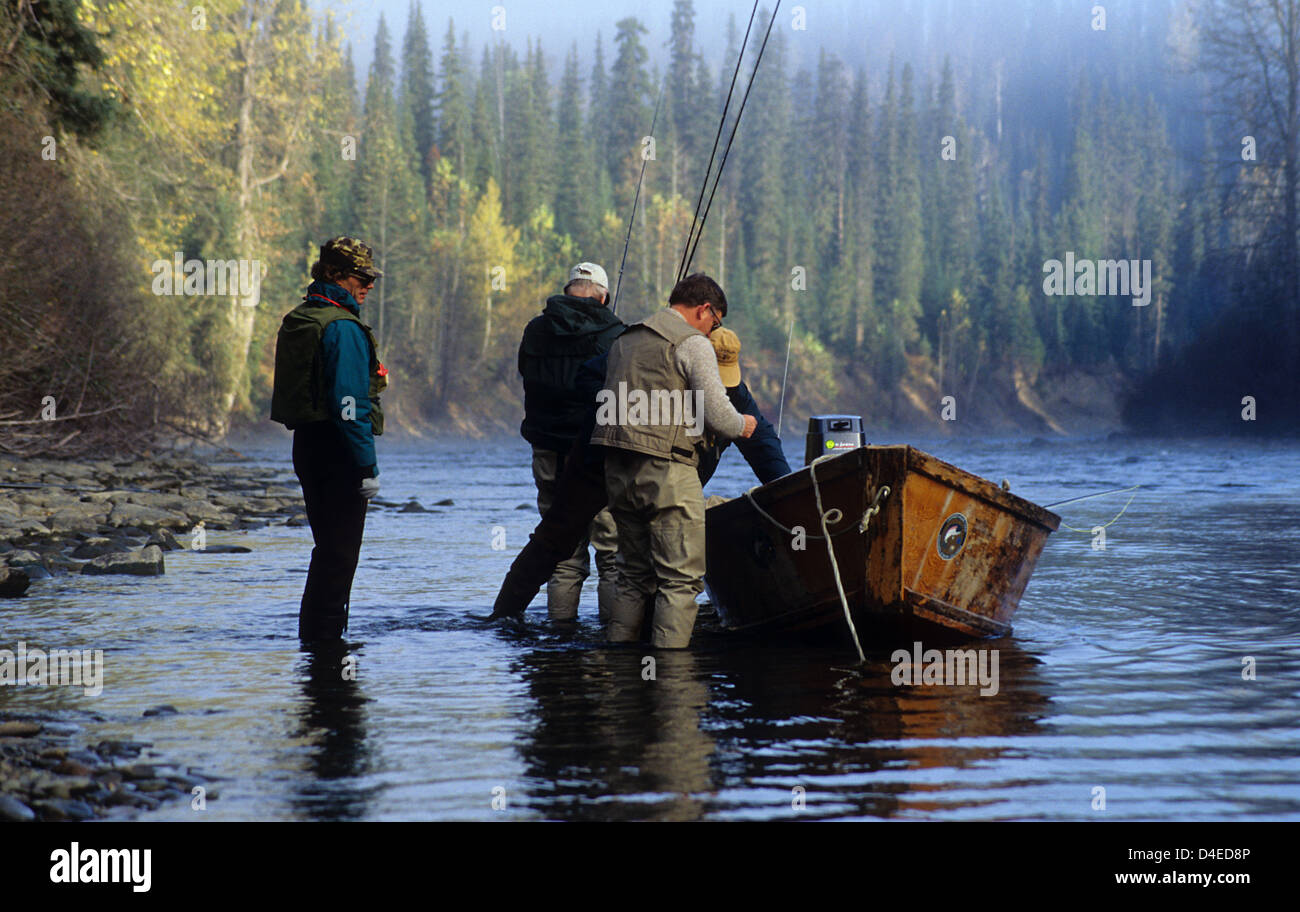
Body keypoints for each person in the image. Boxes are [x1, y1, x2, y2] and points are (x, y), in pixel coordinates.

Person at [484, 327, 788, 623]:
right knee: (556, 538)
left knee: (644, 562)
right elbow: (588, 375)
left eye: (726, 381)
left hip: (661, 482)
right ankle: (504, 615)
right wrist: (623, 410)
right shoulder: (658, 354)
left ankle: (626, 640)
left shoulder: (735, 396)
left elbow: (761, 443)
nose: (720, 388)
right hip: (598, 462)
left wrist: (786, 489)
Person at [593, 273, 757, 649]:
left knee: (632, 576)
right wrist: (742, 425)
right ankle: (671, 674)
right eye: (715, 323)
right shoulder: (692, 344)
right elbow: (717, 413)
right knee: (679, 582)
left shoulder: (625, 339)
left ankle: (621, 663)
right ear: (704, 310)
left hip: (617, 473)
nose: (712, 330)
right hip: (667, 472)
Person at [270, 236, 387, 641]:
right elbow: (349, 405)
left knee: (327, 552)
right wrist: (366, 466)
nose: (369, 285)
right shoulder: (343, 327)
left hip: (308, 445)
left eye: (371, 278)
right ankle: (326, 646)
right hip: (339, 453)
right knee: (340, 557)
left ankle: (315, 647)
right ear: (336, 275)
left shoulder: (304, 316)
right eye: (362, 277)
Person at [518, 262, 626, 621]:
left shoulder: (535, 330)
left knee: (561, 550)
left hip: (547, 450)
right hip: (596, 455)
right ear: (604, 296)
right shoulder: (616, 334)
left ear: (568, 291)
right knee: (611, 552)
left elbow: (527, 378)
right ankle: (615, 642)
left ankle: (560, 637)